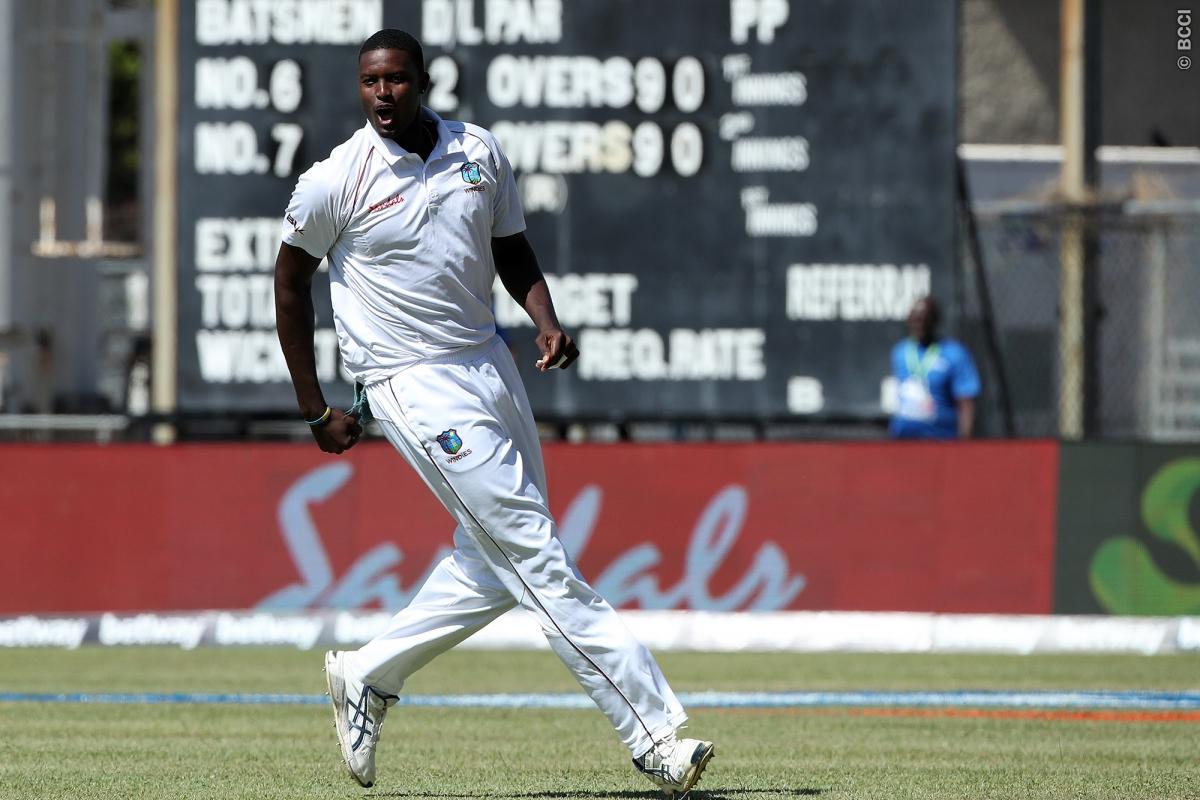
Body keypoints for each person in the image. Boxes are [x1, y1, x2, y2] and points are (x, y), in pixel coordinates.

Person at [273, 29, 713, 797]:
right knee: (536, 555)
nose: (383, 95)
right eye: (371, 82)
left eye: (398, 81)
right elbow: (287, 284)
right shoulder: (334, 179)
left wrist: (544, 318)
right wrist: (315, 410)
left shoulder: (478, 150)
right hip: (411, 383)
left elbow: (511, 248)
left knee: (494, 562)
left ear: (425, 81)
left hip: (490, 364)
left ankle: (366, 676)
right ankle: (655, 738)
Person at [888, 296, 981, 439]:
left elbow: (966, 401)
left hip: (939, 437)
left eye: (925, 319)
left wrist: (964, 442)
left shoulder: (954, 353)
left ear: (935, 321)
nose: (920, 324)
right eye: (916, 319)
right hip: (903, 437)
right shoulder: (900, 351)